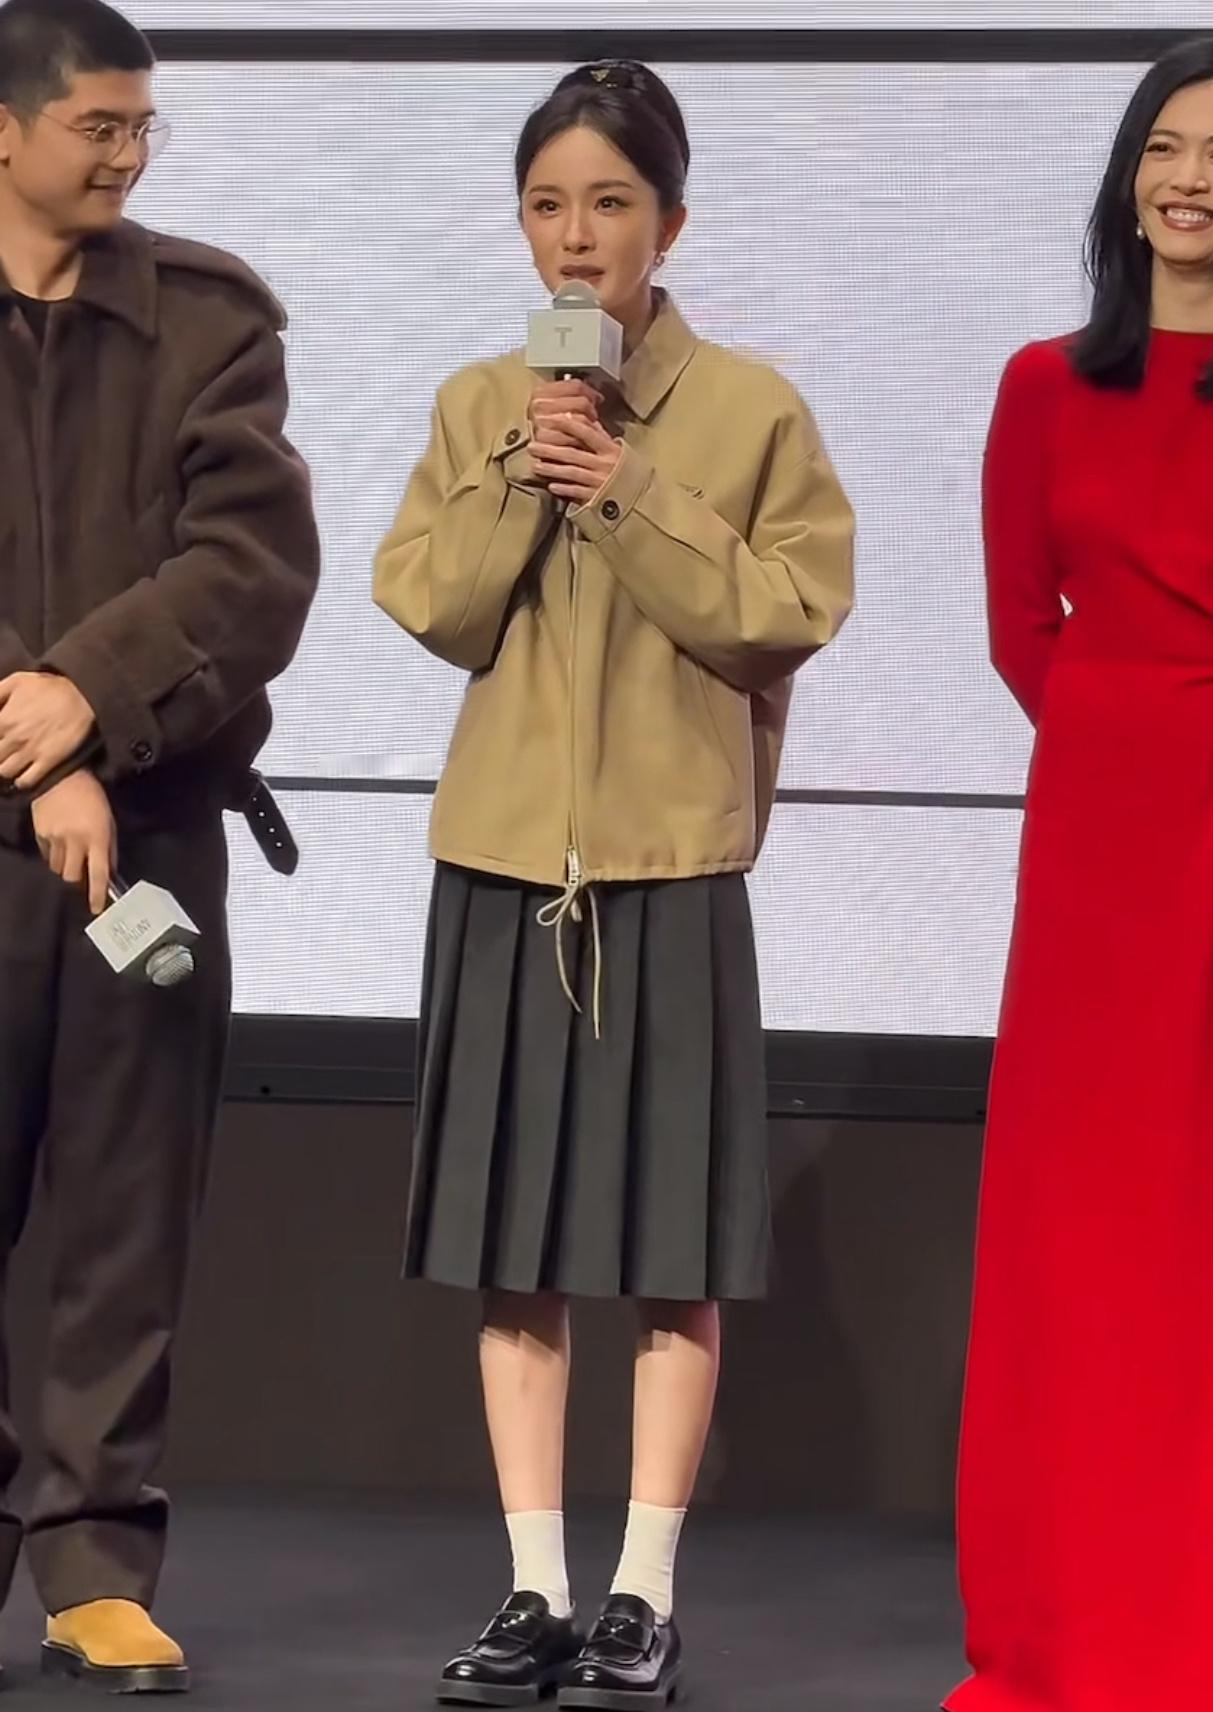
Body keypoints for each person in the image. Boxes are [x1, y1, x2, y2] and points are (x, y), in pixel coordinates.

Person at [374, 58, 852, 1711]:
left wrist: (633, 489)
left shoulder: (752, 408)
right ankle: (534, 1588)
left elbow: (784, 615)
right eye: (547, 205)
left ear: (672, 223)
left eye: (610, 204)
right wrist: (527, 465)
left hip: (667, 875)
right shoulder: (477, 404)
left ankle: (642, 1594)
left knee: (672, 1255)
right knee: (514, 1254)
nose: (576, 237)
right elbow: (435, 607)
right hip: (504, 870)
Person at [949, 35, 1213, 1712]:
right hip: (1103, 839)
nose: (1189, 179)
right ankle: (1071, 1622)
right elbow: (1023, 627)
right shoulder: (1041, 385)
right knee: (1087, 1226)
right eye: (1165, 145)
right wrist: (1127, 736)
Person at [0, 0, 319, 1692]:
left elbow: (253, 563)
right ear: (3, 130)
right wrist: (28, 743)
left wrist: (88, 701)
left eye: (143, 128)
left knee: (127, 1218)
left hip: (154, 832)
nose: (127, 155)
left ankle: (94, 1560)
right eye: (97, 127)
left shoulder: (206, 316)